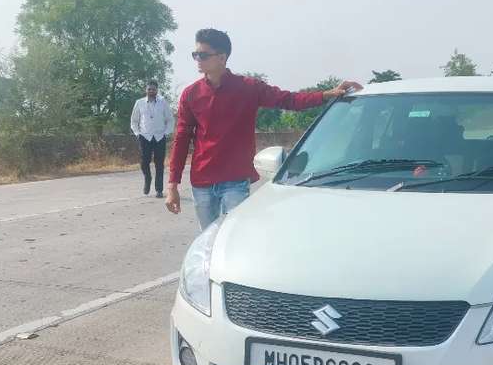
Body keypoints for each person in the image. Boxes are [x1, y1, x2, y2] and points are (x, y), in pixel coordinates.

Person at [167, 28, 362, 229]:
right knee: (207, 240)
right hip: (202, 182)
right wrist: (173, 184)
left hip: (235, 180)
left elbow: (289, 100)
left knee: (234, 236)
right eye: (195, 54)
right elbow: (181, 139)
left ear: (222, 57)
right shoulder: (190, 94)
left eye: (203, 55)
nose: (198, 59)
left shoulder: (248, 88)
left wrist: (327, 94)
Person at [130, 80, 175, 198]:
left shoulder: (163, 103)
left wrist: (166, 133)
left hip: (160, 137)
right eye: (149, 89)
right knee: (144, 162)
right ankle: (148, 178)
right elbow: (134, 121)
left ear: (157, 90)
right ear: (146, 90)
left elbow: (170, 120)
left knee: (159, 164)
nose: (151, 91)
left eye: (153, 89)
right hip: (145, 136)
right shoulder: (139, 103)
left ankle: (159, 190)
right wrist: (137, 133)